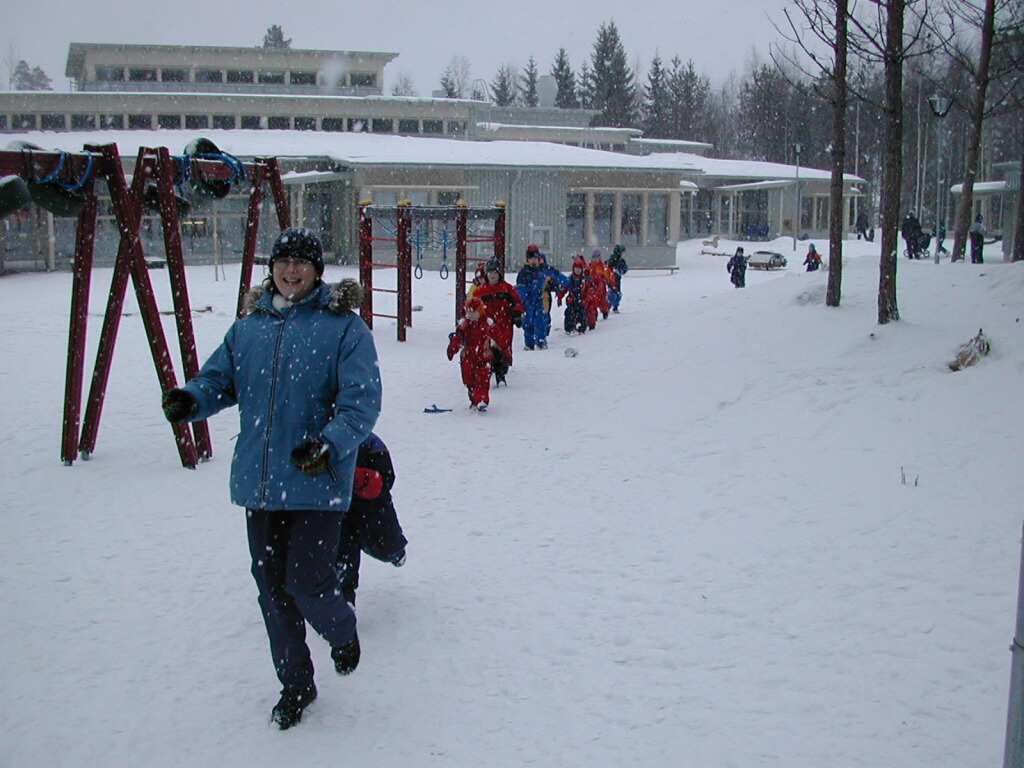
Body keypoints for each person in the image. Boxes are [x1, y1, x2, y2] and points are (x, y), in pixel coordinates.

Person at [161, 228, 382, 731]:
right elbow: (221, 379)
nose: (291, 271)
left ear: (317, 271)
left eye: (302, 263)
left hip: (316, 481)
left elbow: (361, 402)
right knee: (272, 591)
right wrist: (193, 399)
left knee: (307, 582)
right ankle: (296, 684)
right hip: (261, 485)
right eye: (284, 262)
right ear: (272, 268)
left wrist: (328, 443)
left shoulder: (343, 328)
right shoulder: (250, 328)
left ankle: (341, 629)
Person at [337, 433, 407, 608]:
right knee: (341, 556)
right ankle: (344, 603)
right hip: (338, 511)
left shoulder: (368, 443)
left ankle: (396, 553)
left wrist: (354, 478)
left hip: (372, 509)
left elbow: (386, 479)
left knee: (387, 545)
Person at [473, 258, 524, 385]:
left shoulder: (507, 288)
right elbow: (472, 305)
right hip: (488, 324)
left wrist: (517, 313)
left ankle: (501, 372)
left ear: (499, 274)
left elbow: (517, 302)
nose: (492, 276)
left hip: (504, 323)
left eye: (494, 273)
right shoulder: (481, 291)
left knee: (503, 348)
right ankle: (489, 371)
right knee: (488, 348)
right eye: (490, 273)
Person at [447, 295, 497, 411]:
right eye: (468, 312)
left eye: (474, 312)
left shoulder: (487, 324)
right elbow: (458, 339)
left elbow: (496, 335)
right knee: (469, 380)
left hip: (483, 356)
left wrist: (499, 347)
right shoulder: (464, 325)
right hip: (468, 357)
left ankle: (482, 399)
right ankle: (474, 398)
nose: (470, 315)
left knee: (483, 378)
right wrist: (452, 348)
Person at [515, 244, 550, 350]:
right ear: (527, 259)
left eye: (535, 258)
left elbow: (546, 283)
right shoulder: (523, 273)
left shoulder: (540, 271)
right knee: (528, 324)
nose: (533, 261)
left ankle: (541, 341)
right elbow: (520, 288)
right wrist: (524, 296)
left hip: (538, 302)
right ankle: (529, 343)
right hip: (528, 304)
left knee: (540, 322)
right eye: (531, 258)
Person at [561, 254, 590, 334]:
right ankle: (569, 328)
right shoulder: (570, 278)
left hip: (581, 300)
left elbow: (587, 290)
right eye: (576, 269)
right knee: (569, 312)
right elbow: (564, 288)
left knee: (582, 313)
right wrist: (560, 296)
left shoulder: (583, 279)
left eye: (579, 269)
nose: (578, 270)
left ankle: (582, 327)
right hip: (572, 299)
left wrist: (586, 299)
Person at [606, 244, 629, 313]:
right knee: (614, 292)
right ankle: (612, 306)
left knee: (615, 292)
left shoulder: (617, 259)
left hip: (614, 278)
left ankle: (612, 306)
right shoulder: (615, 259)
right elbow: (609, 267)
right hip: (613, 278)